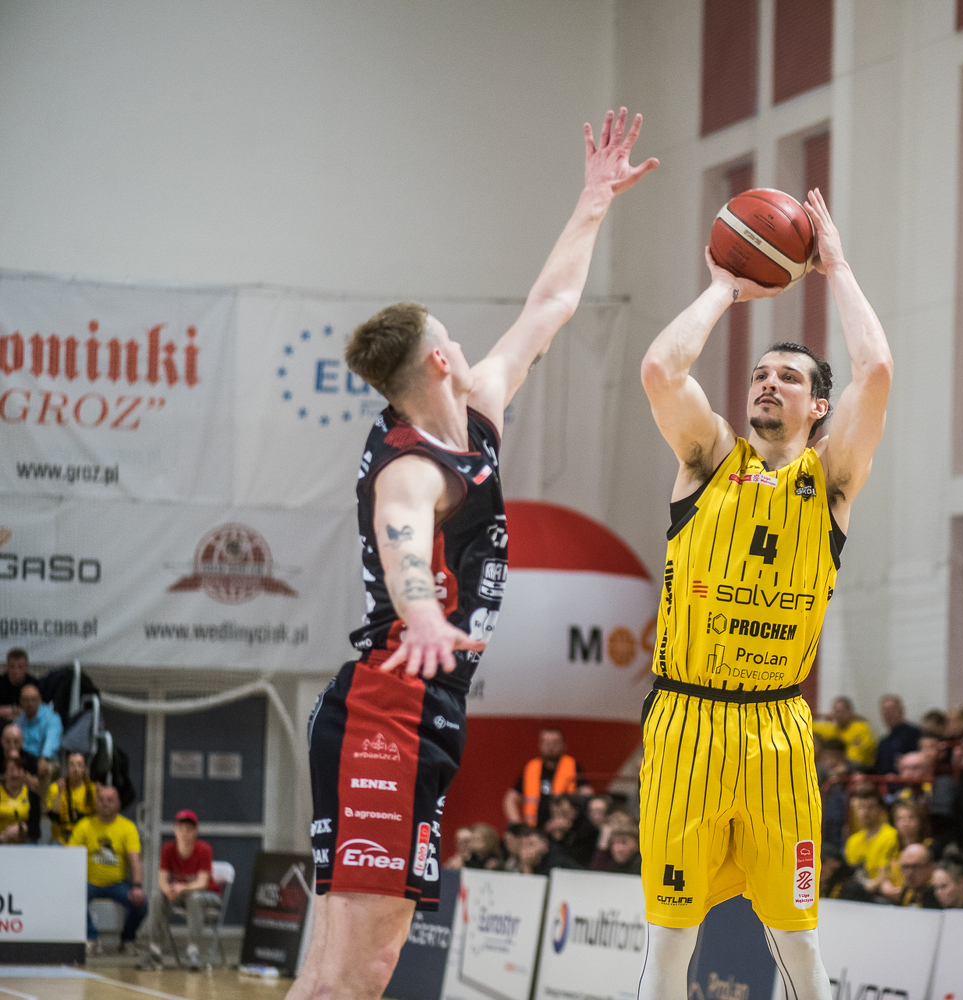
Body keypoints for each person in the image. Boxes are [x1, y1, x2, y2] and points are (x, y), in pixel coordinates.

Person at [290, 107, 656, 1000]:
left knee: (336, 971)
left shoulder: (479, 409)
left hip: (416, 708)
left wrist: (594, 202)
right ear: (437, 363)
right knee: (361, 970)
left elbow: (551, 307)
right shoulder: (413, 467)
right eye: (449, 334)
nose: (462, 341)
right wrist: (420, 610)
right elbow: (401, 536)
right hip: (389, 710)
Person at [635, 184, 891, 998]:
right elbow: (660, 369)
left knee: (800, 947)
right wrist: (722, 288)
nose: (767, 384)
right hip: (686, 723)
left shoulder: (832, 479)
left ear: (819, 406)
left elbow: (877, 370)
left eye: (787, 377)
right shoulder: (709, 457)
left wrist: (837, 267)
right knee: (669, 946)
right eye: (759, 374)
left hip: (778, 729)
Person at [140, 810, 221, 970]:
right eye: (181, 829)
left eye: (189, 829)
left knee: (194, 898)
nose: (184, 833)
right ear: (175, 830)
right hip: (181, 894)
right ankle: (155, 950)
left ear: (196, 831)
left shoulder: (204, 849)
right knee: (157, 897)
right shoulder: (168, 849)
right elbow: (162, 879)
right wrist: (168, 891)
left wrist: (182, 887)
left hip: (208, 895)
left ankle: (193, 952)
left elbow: (202, 883)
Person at [70, 785, 146, 952]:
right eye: (101, 800)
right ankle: (91, 938)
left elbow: (135, 858)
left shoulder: (127, 827)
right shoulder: (84, 825)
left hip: (117, 885)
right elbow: (70, 856)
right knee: (71, 897)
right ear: (96, 803)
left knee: (142, 903)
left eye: (110, 800)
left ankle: (127, 939)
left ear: (118, 804)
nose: (105, 804)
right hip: (89, 883)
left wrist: (137, 886)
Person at [505, 729, 590, 829]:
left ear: (563, 745)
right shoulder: (531, 768)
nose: (550, 747)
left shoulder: (572, 766)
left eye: (555, 743)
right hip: (533, 829)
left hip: (564, 828)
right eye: (546, 743)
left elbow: (586, 793)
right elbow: (511, 798)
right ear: (540, 745)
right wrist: (516, 824)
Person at [844, 788, 900, 892]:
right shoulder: (852, 841)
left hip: (879, 893)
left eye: (871, 807)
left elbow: (883, 877)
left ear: (881, 810)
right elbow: (850, 874)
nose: (865, 812)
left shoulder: (891, 836)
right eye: (861, 807)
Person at [813, 697, 878, 771]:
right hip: (836, 768)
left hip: (860, 769)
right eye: (835, 711)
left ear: (849, 711)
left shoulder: (862, 728)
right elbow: (808, 726)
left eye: (840, 711)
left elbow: (859, 757)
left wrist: (843, 765)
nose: (837, 715)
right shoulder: (832, 728)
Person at [46, 751, 97, 845]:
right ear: (67, 768)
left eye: (79, 765)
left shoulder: (93, 789)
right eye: (72, 765)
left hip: (85, 839)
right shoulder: (56, 788)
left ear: (85, 768)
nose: (76, 769)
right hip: (60, 840)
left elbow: (97, 817)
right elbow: (53, 816)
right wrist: (59, 794)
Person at [14, 684, 61, 781]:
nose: (30, 704)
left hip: (45, 759)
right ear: (21, 702)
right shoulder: (19, 720)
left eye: (33, 700)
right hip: (24, 759)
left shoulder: (52, 718)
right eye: (26, 700)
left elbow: (50, 744)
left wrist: (44, 758)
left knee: (45, 768)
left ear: (40, 700)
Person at [872, 695, 922, 775]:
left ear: (901, 710)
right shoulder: (883, 742)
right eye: (885, 711)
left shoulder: (916, 734)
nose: (889, 714)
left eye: (892, 710)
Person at [545, 794, 598, 868]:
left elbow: (572, 862)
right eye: (555, 814)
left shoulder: (587, 831)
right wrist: (555, 837)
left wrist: (559, 837)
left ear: (574, 812)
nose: (559, 819)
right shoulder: (550, 832)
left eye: (564, 813)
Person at [514, 824, 582, 877]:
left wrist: (526, 866)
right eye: (524, 846)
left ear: (545, 844)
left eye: (531, 844)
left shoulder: (556, 862)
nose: (527, 850)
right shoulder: (533, 863)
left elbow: (534, 889)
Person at [0, 756, 40, 843]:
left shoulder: (33, 797)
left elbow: (35, 832)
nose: (15, 774)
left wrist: (21, 829)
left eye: (19, 770)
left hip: (24, 844)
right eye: (11, 770)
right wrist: (4, 835)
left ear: (24, 774)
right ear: (5, 773)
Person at [0, 649, 39, 723]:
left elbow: (38, 708)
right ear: (7, 667)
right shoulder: (1, 682)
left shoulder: (33, 684)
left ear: (26, 668)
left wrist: (14, 711)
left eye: (20, 667)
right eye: (12, 667)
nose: (16, 671)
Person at [893, 842, 938, 907]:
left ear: (931, 867)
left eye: (915, 866)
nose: (909, 872)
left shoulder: (940, 896)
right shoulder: (906, 894)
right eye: (905, 867)